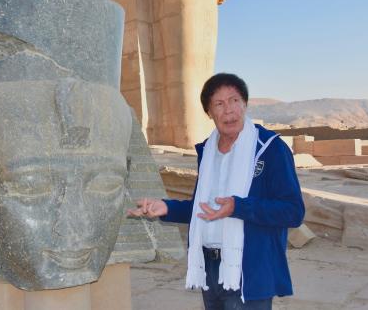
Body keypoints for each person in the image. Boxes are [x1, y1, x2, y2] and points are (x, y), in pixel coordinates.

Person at [128, 73, 305, 309]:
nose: (228, 110)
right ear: (209, 112)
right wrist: (167, 207)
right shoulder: (208, 151)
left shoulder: (270, 149)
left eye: (234, 100)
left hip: (249, 269)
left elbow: (293, 211)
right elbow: (205, 209)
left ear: (245, 104)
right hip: (210, 269)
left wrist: (238, 207)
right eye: (219, 104)